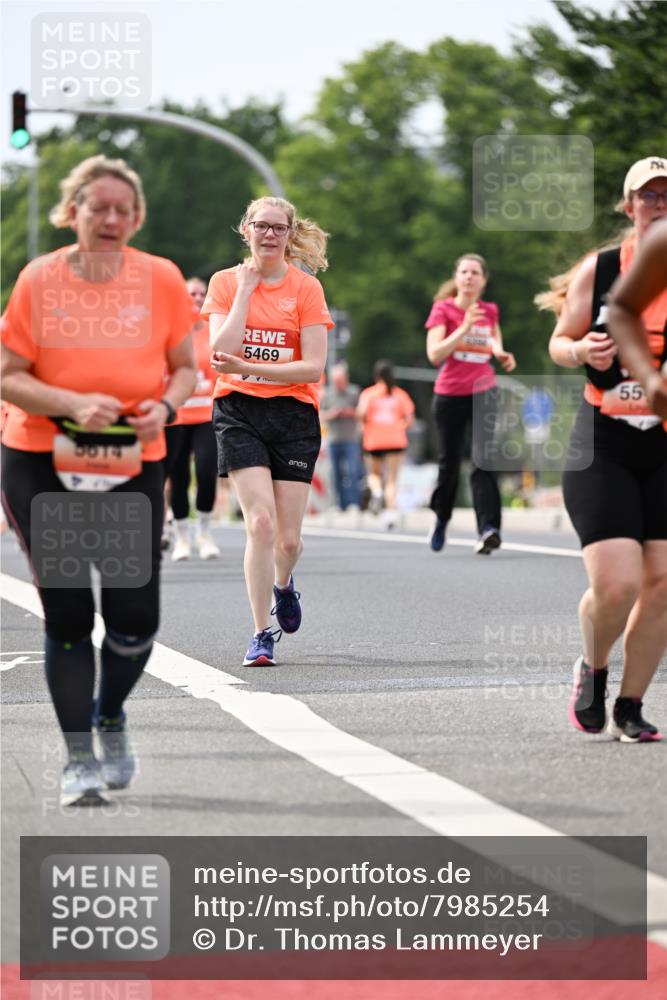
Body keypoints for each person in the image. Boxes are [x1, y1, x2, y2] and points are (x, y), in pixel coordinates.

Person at [0, 155, 196, 805]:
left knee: (134, 615)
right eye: (97, 208)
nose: (110, 219)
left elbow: (184, 369)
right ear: (72, 213)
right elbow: (8, 373)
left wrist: (164, 408)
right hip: (41, 456)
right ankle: (78, 758)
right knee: (67, 613)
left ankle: (110, 710)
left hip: (132, 457)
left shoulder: (162, 279)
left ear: (136, 218)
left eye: (122, 210)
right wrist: (69, 404)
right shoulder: (39, 279)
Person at [541, 155, 667, 743]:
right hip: (605, 440)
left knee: (662, 581)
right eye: (649, 195)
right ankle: (592, 669)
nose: (659, 204)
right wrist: (580, 352)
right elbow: (559, 341)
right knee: (617, 584)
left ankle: (631, 706)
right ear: (629, 206)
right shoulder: (605, 268)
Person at [202, 195, 333, 667]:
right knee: (259, 523)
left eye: (279, 228)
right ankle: (261, 633)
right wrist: (244, 291)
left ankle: (283, 585)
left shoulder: (305, 289)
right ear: (246, 229)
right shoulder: (223, 282)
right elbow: (220, 350)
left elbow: (313, 368)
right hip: (237, 410)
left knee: (289, 540)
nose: (270, 235)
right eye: (262, 226)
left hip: (293, 416)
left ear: (290, 234)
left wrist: (249, 363)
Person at [424, 254, 516, 554]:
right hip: (449, 395)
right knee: (449, 463)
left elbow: (494, 341)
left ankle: (489, 529)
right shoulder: (443, 310)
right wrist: (463, 328)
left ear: (483, 280)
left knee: (484, 460)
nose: (469, 277)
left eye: (475, 272)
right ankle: (441, 518)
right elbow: (435, 354)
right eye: (464, 271)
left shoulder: (489, 311)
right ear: (457, 277)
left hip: (484, 392)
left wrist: (502, 354)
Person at [164, 277, 221, 561]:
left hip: (206, 414)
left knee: (207, 469)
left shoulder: (213, 329)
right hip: (176, 415)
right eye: (192, 293)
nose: (198, 297)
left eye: (202, 293)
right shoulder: (171, 331)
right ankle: (182, 537)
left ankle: (205, 531)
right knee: (178, 476)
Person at [356, 360, 415, 529]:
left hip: (374, 440)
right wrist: (398, 427)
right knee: (392, 479)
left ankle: (377, 492)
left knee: (374, 474)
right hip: (395, 440)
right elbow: (409, 419)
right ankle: (390, 514)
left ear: (376, 375)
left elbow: (361, 414)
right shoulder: (400, 394)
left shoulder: (369, 394)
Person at [319, 361, 363, 511]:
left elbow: (361, 413)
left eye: (340, 381)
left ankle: (353, 504)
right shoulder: (328, 395)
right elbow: (320, 415)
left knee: (352, 472)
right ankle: (339, 504)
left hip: (350, 438)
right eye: (335, 381)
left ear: (346, 378)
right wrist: (333, 414)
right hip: (334, 439)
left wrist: (348, 412)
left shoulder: (354, 392)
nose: (338, 384)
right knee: (335, 473)